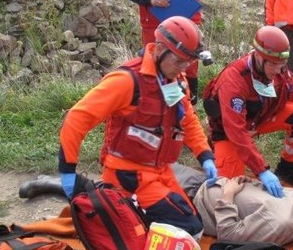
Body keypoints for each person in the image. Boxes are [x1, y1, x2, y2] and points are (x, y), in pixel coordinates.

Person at [58, 16, 218, 237]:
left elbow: (187, 121)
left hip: (159, 172)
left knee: (194, 224)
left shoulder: (176, 81)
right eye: (179, 61)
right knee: (189, 230)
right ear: (160, 49)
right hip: (128, 174)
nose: (184, 68)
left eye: (188, 62)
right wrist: (67, 170)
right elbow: (76, 118)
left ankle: (120, 209)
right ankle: (115, 204)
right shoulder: (126, 81)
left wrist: (205, 155)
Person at [202, 25, 293, 193]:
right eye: (275, 66)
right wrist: (261, 170)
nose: (279, 71)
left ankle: (289, 170)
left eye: (282, 65)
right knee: (227, 186)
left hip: (259, 118)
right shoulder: (234, 81)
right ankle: (211, 147)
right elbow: (236, 130)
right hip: (229, 132)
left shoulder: (277, 65)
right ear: (259, 57)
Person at [193, 176, 293, 245]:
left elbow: (229, 235)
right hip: (209, 181)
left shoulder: (283, 224)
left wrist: (228, 194)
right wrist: (250, 182)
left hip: (196, 200)